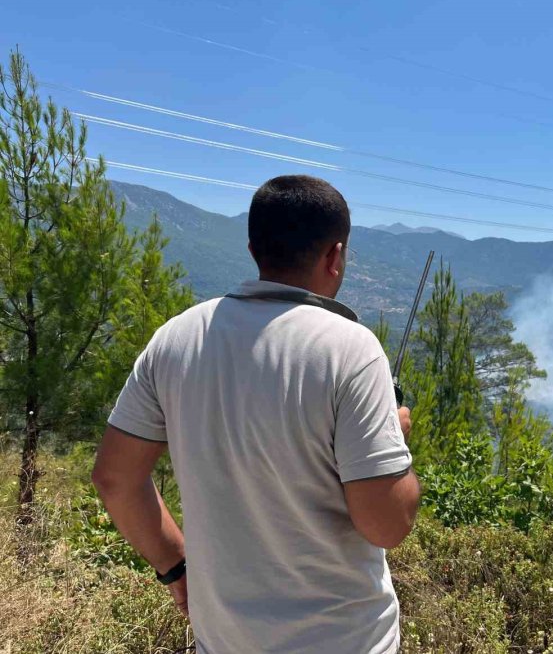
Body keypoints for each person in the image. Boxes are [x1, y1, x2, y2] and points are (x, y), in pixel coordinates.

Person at [92, 175, 420, 654]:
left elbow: (115, 479)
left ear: (253, 248)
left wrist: (175, 566)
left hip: (222, 640)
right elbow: (387, 525)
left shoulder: (175, 339)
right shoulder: (351, 348)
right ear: (336, 255)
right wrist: (397, 442)